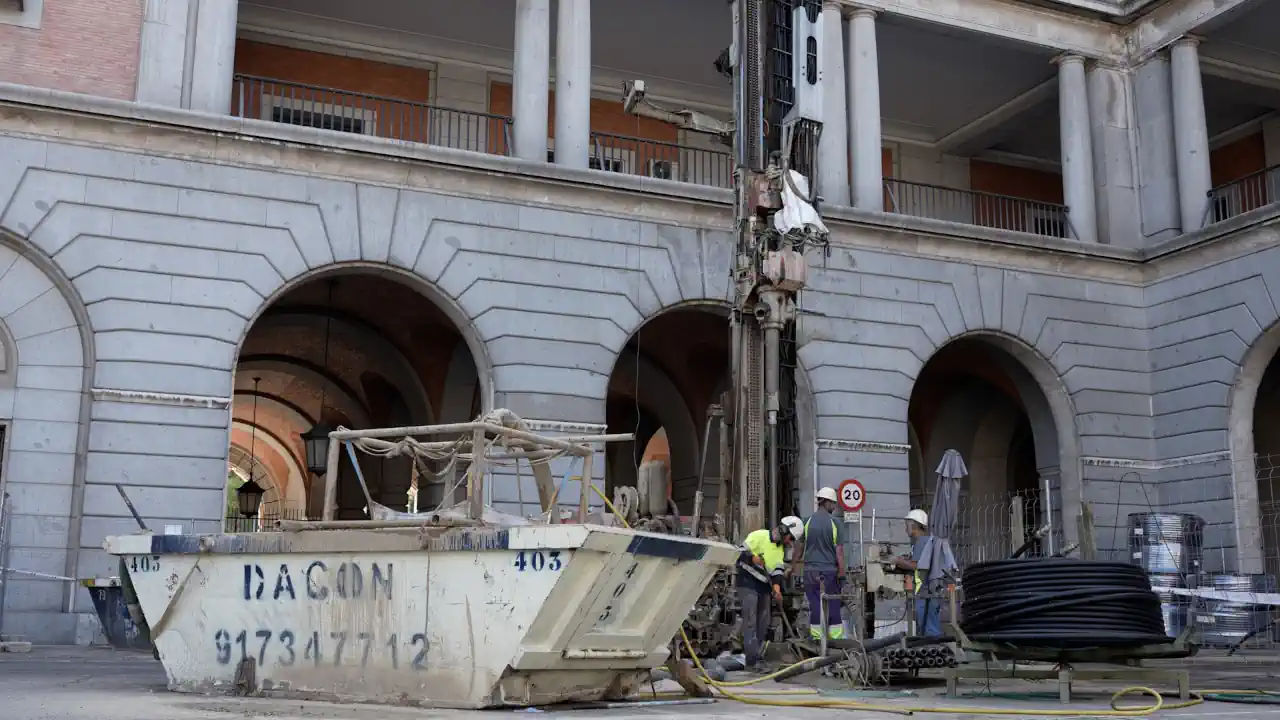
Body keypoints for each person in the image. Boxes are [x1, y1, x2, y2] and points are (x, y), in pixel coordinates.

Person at [736, 515, 804, 669]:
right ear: (783, 530)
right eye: (790, 538)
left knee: (763, 622)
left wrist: (777, 589)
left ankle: (757, 656)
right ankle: (752, 661)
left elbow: (777, 572)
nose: (789, 542)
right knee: (751, 621)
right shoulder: (758, 536)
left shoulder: (779, 550)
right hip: (747, 583)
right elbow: (739, 553)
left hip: (764, 586)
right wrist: (752, 558)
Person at [793, 487, 846, 640]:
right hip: (829, 571)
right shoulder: (836, 523)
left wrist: (792, 566)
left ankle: (816, 638)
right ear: (826, 502)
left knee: (814, 604)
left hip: (810, 571)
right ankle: (835, 638)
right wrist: (842, 572)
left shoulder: (806, 521)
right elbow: (839, 552)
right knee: (834, 604)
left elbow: (799, 547)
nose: (834, 507)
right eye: (833, 503)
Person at [892, 509, 945, 637]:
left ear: (914, 525)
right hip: (928, 592)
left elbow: (917, 566)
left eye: (907, 525)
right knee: (926, 628)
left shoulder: (921, 542)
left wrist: (898, 561)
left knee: (930, 630)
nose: (906, 529)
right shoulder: (925, 541)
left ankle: (937, 648)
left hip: (926, 593)